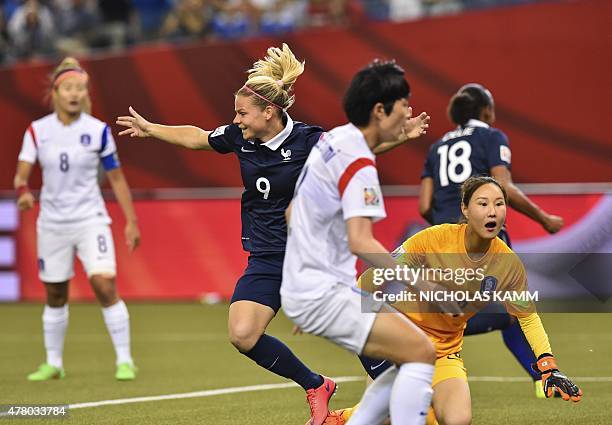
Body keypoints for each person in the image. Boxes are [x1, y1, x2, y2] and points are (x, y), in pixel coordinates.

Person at [116, 44, 430, 424]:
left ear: (269, 111)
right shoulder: (239, 137)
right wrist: (152, 130)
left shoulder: (310, 141)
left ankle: (406, 397)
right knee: (242, 334)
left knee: (357, 333)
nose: (236, 120)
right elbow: (197, 136)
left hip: (312, 255)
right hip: (267, 256)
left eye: (242, 112)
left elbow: (359, 150)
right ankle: (316, 384)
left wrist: (403, 136)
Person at [336, 176, 583, 425]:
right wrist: (351, 308)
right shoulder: (434, 239)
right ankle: (344, 419)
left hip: (444, 353)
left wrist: (548, 366)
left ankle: (352, 415)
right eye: (483, 204)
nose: (492, 212)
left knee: (458, 420)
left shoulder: (508, 263)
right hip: (400, 344)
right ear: (465, 209)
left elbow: (527, 317)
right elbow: (375, 276)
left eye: (499, 204)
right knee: (401, 414)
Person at [281, 60, 449, 425]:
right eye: (403, 104)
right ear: (379, 110)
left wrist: (301, 285)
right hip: (320, 292)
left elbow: (293, 212)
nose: (408, 111)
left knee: (408, 356)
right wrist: (427, 285)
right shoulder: (358, 160)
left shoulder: (335, 140)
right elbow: (361, 242)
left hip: (313, 289)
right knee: (421, 351)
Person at [418, 83, 565, 398]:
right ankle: (542, 379)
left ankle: (540, 380)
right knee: (512, 310)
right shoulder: (491, 137)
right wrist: (544, 219)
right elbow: (505, 187)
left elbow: (424, 205)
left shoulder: (436, 147)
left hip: (444, 242)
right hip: (481, 243)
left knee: (452, 311)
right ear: (486, 110)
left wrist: (447, 232)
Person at [14, 57, 141, 382]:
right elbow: (21, 176)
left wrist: (131, 221)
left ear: (85, 93)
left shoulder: (98, 131)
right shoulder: (37, 131)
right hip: (52, 223)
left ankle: (125, 360)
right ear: (56, 91)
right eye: (68, 88)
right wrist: (24, 192)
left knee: (103, 282)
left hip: (90, 219)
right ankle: (53, 363)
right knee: (55, 293)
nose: (74, 94)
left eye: (80, 88)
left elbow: (116, 179)